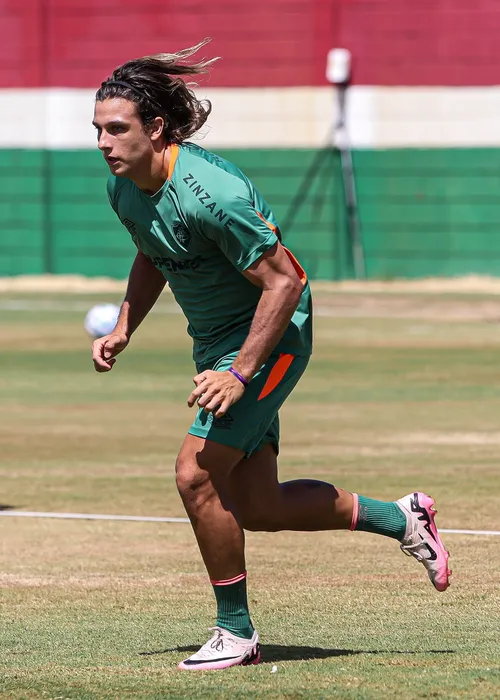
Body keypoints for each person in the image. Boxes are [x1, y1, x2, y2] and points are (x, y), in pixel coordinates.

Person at [91, 39, 451, 671]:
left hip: (271, 337)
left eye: (116, 129)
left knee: (195, 474)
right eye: (97, 130)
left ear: (155, 128)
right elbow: (152, 251)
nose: (103, 142)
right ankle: (401, 518)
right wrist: (125, 325)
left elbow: (285, 283)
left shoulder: (212, 193)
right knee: (257, 505)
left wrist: (239, 370)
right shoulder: (125, 188)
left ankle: (236, 634)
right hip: (218, 344)